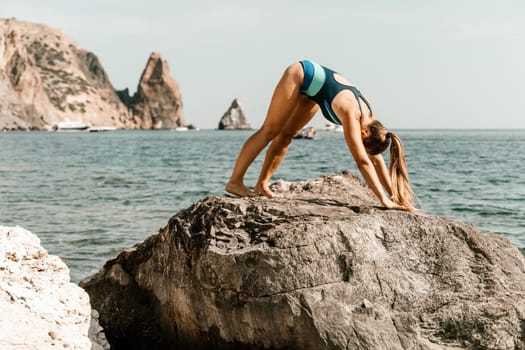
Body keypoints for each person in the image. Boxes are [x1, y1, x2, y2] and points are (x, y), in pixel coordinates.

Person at [225, 60, 415, 211]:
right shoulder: (352, 113)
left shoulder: (372, 122)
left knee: (287, 135)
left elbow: (375, 160)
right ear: (364, 134)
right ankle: (235, 182)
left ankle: (261, 185)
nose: (362, 147)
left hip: (316, 92)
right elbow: (362, 161)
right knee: (270, 130)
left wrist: (394, 196)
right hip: (302, 74)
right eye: (363, 144)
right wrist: (383, 200)